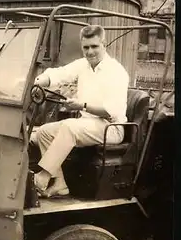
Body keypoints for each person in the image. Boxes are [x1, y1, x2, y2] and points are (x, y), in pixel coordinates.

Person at [32, 24, 129, 198]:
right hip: (87, 124)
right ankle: (60, 184)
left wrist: (82, 105)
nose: (90, 52)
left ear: (104, 44)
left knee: (69, 127)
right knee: (43, 132)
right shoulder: (83, 65)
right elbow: (61, 73)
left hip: (111, 127)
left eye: (94, 46)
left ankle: (43, 178)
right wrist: (41, 80)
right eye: (86, 47)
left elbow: (110, 110)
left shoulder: (116, 71)